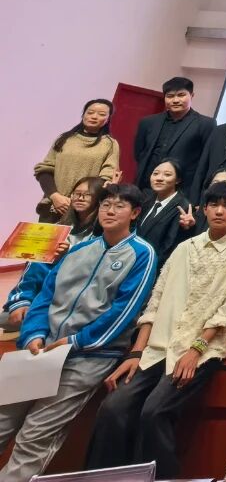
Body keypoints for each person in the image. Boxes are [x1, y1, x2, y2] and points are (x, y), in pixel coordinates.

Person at [86, 180, 226, 479]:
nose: (219, 211)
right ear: (203, 209)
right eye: (213, 205)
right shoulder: (185, 247)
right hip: (158, 346)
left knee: (154, 411)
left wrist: (195, 351)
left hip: (201, 348)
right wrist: (136, 352)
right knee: (114, 407)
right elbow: (156, 301)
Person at [0, 183, 155, 482]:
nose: (110, 211)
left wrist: (75, 340)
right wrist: (33, 333)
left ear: (135, 213)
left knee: (35, 436)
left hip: (88, 356)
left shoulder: (142, 254)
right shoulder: (79, 248)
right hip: (42, 350)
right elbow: (46, 295)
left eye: (119, 206)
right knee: (2, 419)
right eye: (106, 204)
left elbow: (123, 311)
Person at [4, 178, 107, 331]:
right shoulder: (59, 227)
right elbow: (34, 268)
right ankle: (24, 304)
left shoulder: (103, 232)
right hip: (47, 292)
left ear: (99, 199)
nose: (80, 198)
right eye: (76, 193)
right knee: (39, 259)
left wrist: (68, 254)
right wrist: (22, 301)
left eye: (87, 194)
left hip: (78, 297)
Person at [33, 98, 119, 222]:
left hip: (83, 211)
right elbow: (44, 170)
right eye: (90, 112)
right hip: (53, 205)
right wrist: (55, 196)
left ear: (108, 119)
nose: (94, 116)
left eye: (101, 114)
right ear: (83, 115)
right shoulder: (64, 139)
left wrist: (79, 200)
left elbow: (106, 176)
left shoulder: (110, 144)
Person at [132, 77, 215, 191]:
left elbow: (206, 161)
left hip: (181, 189)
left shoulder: (205, 124)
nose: (175, 100)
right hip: (145, 186)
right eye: (170, 96)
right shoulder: (148, 122)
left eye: (181, 95)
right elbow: (139, 153)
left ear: (192, 95)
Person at [135, 159, 197, 268]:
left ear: (178, 180)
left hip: (153, 265)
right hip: (133, 258)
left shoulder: (183, 207)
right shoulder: (146, 199)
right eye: (155, 173)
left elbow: (168, 247)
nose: (159, 178)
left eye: (167, 175)